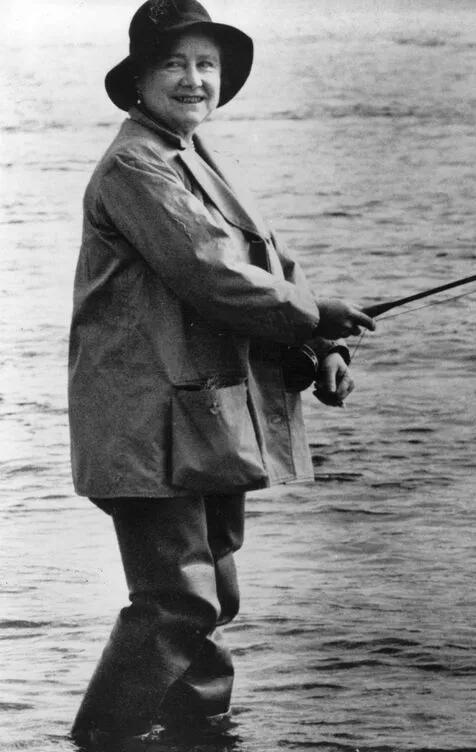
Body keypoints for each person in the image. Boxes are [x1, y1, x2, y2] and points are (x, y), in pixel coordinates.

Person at [68, 0, 375, 745]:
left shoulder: (193, 156)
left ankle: (200, 735)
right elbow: (211, 277)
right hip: (147, 428)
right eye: (174, 63)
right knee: (177, 602)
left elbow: (260, 267)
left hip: (200, 419)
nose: (193, 79)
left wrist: (319, 347)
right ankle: (99, 742)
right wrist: (314, 313)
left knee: (213, 592)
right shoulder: (135, 164)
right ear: (139, 79)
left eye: (206, 65)